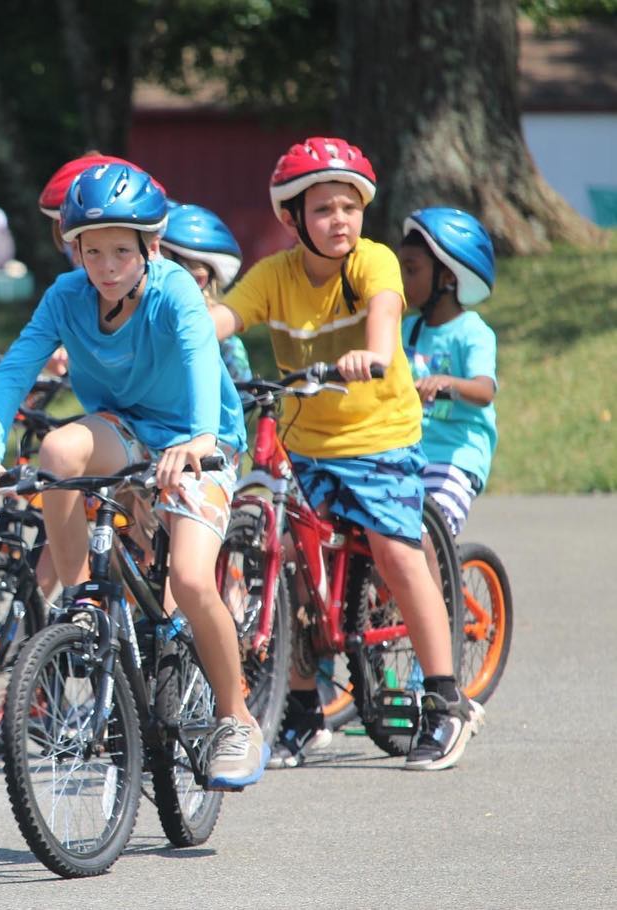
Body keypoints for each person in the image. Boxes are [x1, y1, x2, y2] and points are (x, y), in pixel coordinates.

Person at [0, 162, 267, 790]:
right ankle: (83, 605)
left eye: (121, 252)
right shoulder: (65, 297)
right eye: (91, 250)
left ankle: (236, 719)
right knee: (57, 452)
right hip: (122, 428)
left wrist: (201, 442)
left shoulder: (175, 290)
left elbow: (200, 362)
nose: (105, 266)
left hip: (198, 437)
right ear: (73, 248)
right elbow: (13, 372)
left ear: (150, 248)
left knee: (187, 574)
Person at [209, 137, 482, 772]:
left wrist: (375, 352)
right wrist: (184, 329)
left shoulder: (372, 262)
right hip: (306, 447)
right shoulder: (274, 276)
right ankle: (302, 710)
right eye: (325, 209)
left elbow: (386, 309)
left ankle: (446, 701)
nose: (340, 221)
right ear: (292, 218)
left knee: (393, 551)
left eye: (350, 207)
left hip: (378, 436)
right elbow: (228, 317)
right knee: (295, 568)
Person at [398, 207, 498, 538]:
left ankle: (436, 591)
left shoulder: (471, 331)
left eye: (411, 270)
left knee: (426, 537)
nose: (401, 280)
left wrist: (447, 382)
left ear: (448, 277)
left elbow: (484, 391)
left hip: (455, 457)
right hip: (408, 453)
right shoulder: (407, 329)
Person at [159, 203, 253, 383]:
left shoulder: (226, 346)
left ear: (198, 280)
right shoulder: (140, 328)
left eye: (161, 270)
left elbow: (244, 404)